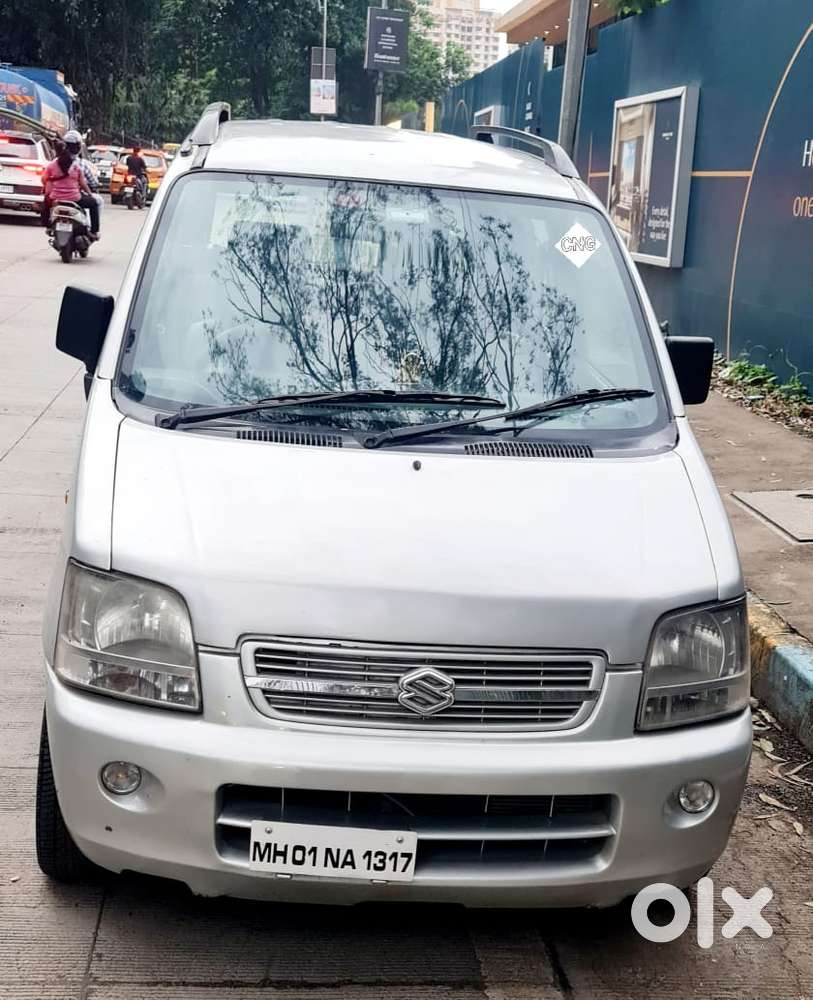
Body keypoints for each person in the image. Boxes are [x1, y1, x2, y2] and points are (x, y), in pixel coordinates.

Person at [42, 131, 100, 239]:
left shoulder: (52, 165)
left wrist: (49, 187)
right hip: (75, 198)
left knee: (45, 202)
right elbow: (83, 184)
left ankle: (48, 226)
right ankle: (94, 231)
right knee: (94, 203)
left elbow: (44, 179)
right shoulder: (77, 166)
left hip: (55, 198)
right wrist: (90, 194)